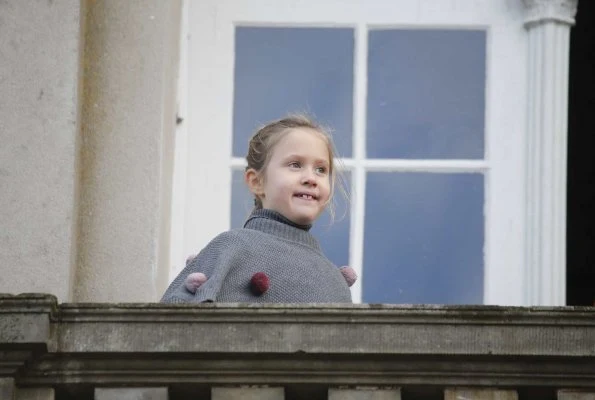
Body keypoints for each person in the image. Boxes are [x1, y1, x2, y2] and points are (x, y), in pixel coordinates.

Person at [161, 115, 353, 303]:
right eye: (295, 165)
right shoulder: (230, 247)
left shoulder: (334, 281)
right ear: (257, 182)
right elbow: (168, 323)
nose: (311, 178)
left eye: (321, 169)